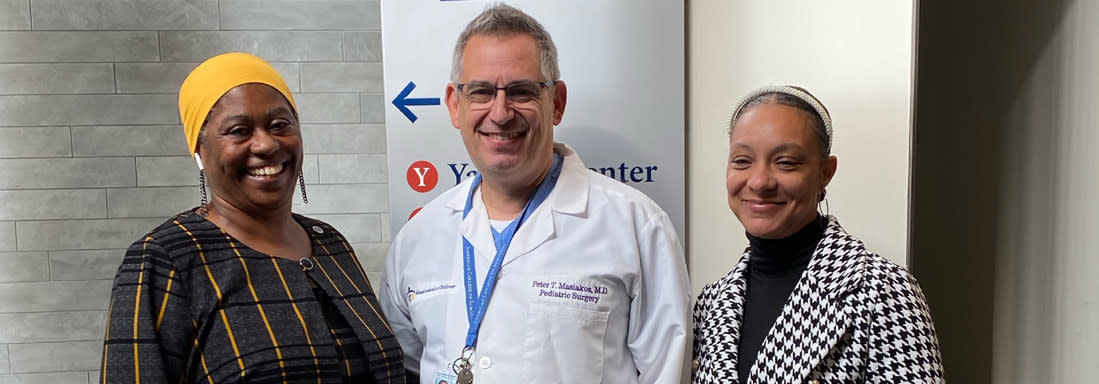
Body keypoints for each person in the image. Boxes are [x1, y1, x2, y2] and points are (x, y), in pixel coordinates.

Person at [379, 4, 692, 384]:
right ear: (454, 105)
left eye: (521, 91)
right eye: (480, 91)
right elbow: (405, 368)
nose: (500, 112)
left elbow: (666, 373)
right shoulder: (416, 239)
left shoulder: (637, 226)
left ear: (556, 102)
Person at [100, 52, 406, 383]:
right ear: (200, 151)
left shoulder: (329, 243)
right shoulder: (167, 260)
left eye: (280, 125)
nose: (266, 144)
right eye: (239, 130)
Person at [692, 86, 944, 383]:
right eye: (742, 161)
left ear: (826, 172)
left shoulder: (883, 291)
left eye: (785, 162)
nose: (759, 181)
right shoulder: (712, 303)